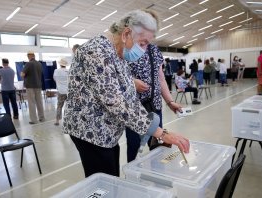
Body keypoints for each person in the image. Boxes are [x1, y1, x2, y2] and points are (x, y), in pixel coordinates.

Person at [63, 9, 190, 177]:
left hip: (107, 133)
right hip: (91, 132)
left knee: (111, 177)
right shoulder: (96, 52)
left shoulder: (118, 54)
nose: (144, 50)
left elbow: (129, 97)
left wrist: (154, 126)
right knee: (103, 182)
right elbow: (114, 102)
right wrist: (161, 133)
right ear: (126, 33)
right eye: (143, 43)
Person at [126, 44, 183, 162]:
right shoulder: (126, 49)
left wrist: (170, 101)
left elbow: (160, 78)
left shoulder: (154, 50)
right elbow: (115, 77)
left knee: (157, 146)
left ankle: (158, 173)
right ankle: (132, 177)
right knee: (134, 147)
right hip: (133, 109)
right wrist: (132, 82)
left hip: (154, 106)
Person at [21, 51, 45, 124]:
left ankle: (34, 120)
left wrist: (22, 75)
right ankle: (42, 117)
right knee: (39, 102)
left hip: (30, 86)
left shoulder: (28, 64)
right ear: (34, 56)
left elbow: (22, 74)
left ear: (29, 56)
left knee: (31, 102)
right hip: (38, 85)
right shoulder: (39, 64)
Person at [53, 58, 69, 126]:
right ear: (65, 65)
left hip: (60, 91)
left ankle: (57, 121)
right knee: (68, 107)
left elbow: (54, 79)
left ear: (60, 64)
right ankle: (68, 120)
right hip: (68, 91)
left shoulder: (56, 71)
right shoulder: (68, 71)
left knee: (59, 106)